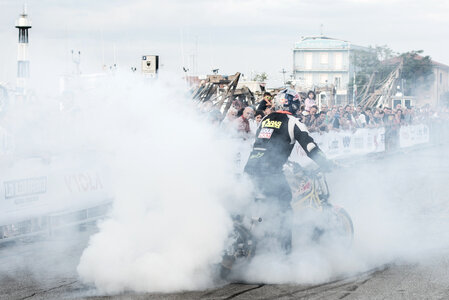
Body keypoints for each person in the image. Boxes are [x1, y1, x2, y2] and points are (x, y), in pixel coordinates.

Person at [244, 90, 332, 253]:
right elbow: (310, 147)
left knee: (262, 204)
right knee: (285, 205)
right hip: (269, 172)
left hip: (250, 169)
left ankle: (261, 238)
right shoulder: (293, 122)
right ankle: (285, 254)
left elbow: (266, 145)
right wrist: (325, 163)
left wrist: (286, 161)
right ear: (296, 105)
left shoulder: (265, 119)